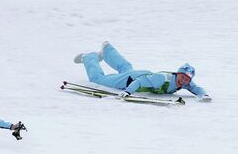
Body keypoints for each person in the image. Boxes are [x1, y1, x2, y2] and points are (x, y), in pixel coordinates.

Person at [74, 41, 211, 101]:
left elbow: (196, 88)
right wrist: (128, 91)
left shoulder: (183, 83)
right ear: (177, 73)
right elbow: (139, 82)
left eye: (187, 79)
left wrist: (203, 95)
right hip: (131, 80)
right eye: (183, 77)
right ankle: (90, 57)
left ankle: (108, 50)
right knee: (97, 79)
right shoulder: (163, 79)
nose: (184, 81)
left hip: (141, 74)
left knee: (125, 68)